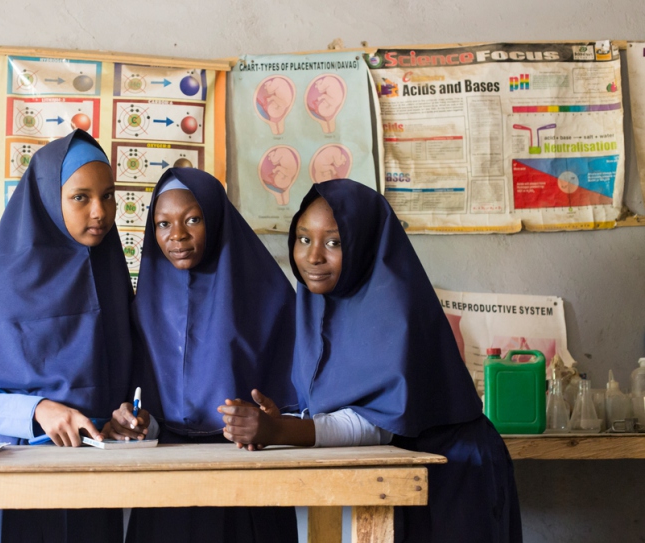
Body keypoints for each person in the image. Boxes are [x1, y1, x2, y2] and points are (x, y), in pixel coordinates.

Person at [220, 179, 522, 543]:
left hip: (450, 475)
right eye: (303, 239)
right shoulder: (315, 305)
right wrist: (285, 420)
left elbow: (378, 422)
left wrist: (280, 430)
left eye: (334, 242)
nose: (313, 256)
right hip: (392, 473)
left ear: (364, 245)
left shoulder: (396, 312)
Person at [0, 130, 133, 543]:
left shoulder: (111, 276)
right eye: (81, 197)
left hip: (91, 483)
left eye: (108, 196)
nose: (100, 212)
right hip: (12, 475)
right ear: (47, 198)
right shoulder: (6, 280)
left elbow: (126, 384)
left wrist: (127, 416)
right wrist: (38, 410)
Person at [106, 168, 299, 543]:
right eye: (163, 223)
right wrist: (140, 422)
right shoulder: (142, 306)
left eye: (192, 219)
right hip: (167, 483)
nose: (176, 235)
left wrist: (266, 423)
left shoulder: (268, 297)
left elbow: (291, 405)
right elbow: (155, 409)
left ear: (216, 218)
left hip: (246, 477)